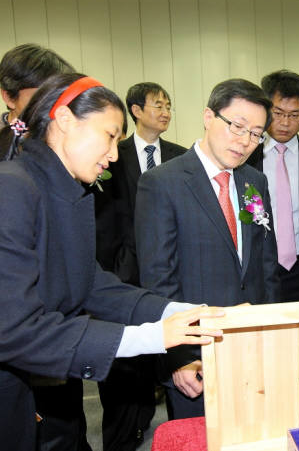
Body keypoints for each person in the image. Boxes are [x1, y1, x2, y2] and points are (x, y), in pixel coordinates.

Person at [0, 73, 224, 451]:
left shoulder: (68, 190)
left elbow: (90, 284)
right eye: (109, 135)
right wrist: (151, 337)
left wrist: (188, 311)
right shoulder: (13, 188)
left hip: (50, 387)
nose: (115, 155)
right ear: (66, 119)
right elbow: (16, 330)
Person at [135, 78, 281, 419]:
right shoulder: (162, 183)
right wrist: (179, 356)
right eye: (237, 126)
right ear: (207, 116)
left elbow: (265, 266)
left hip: (252, 345)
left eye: (256, 133)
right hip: (196, 354)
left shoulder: (254, 181)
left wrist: (272, 333)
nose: (245, 141)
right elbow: (158, 280)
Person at [97, 82, 186, 451]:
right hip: (123, 275)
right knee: (124, 368)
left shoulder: (181, 157)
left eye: (169, 106)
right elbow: (103, 218)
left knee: (166, 360)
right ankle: (124, 434)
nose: (165, 112)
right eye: (157, 105)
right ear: (135, 110)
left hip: (169, 273)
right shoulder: (111, 157)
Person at [247, 70, 299, 302]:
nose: (286, 123)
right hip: (257, 266)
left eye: (295, 115)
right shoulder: (245, 155)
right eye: (278, 113)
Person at [0, 43, 74, 158]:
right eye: (40, 97)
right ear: (9, 97)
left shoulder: (67, 135)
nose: (53, 106)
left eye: (58, 96)